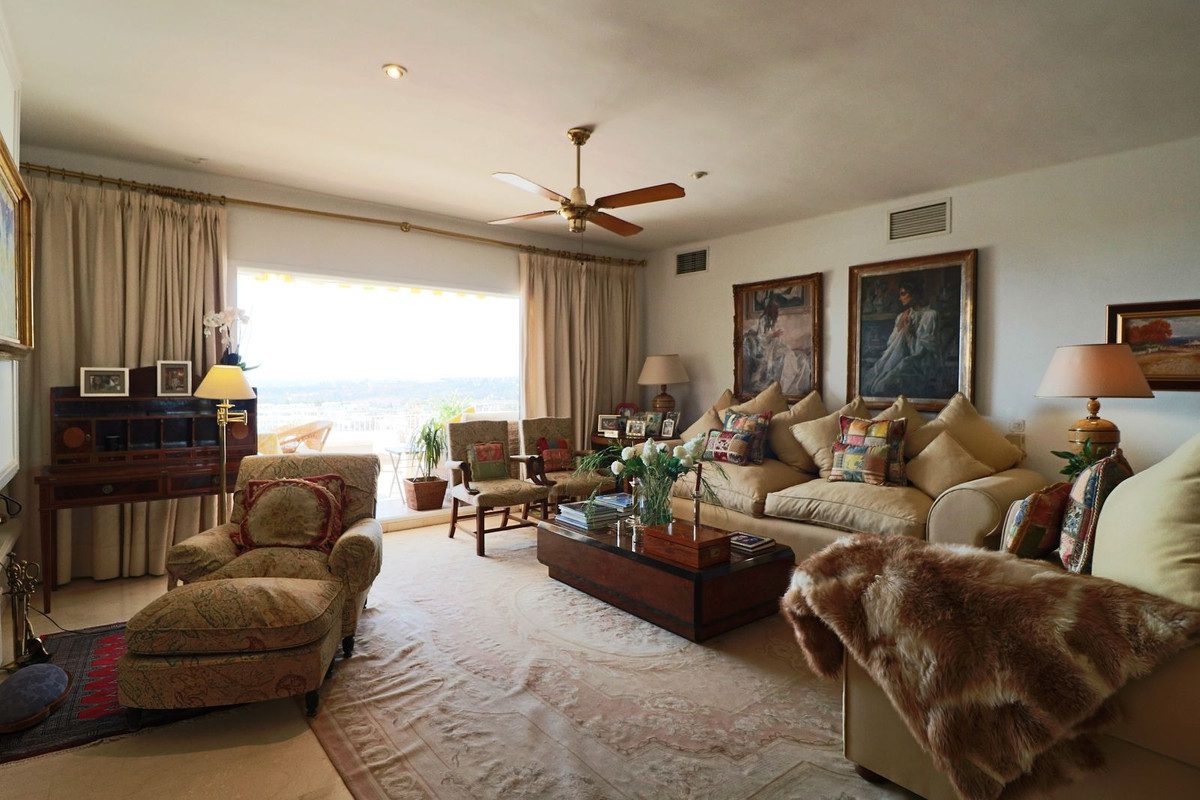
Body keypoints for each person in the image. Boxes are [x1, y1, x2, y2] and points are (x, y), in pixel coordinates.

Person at [862, 278, 940, 396]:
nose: (900, 298)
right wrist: (899, 327)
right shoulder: (901, 316)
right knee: (872, 382)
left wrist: (910, 332)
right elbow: (891, 344)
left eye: (903, 294)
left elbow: (923, 350)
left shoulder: (930, 315)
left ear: (914, 294)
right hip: (897, 359)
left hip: (918, 362)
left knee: (881, 386)